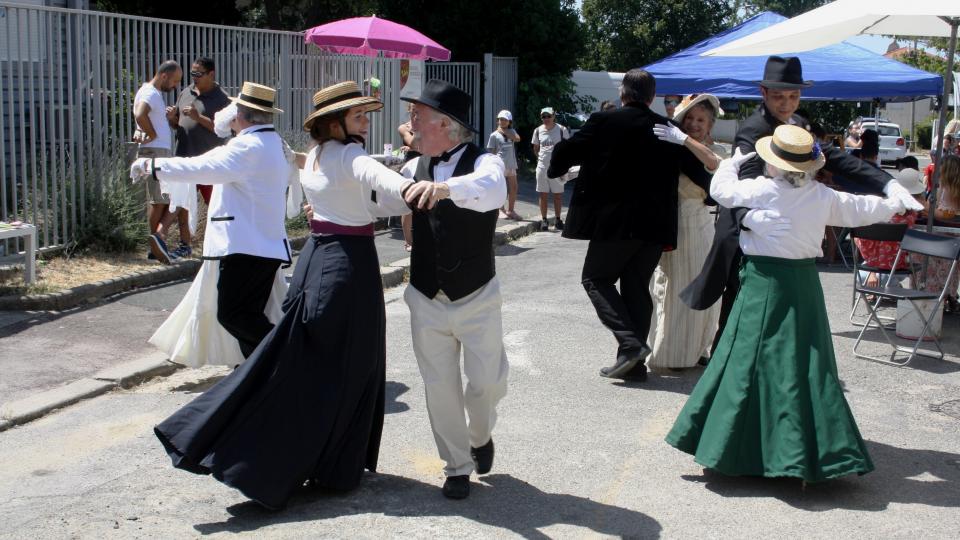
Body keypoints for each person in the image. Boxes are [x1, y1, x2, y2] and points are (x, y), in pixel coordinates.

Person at [152, 80, 415, 510]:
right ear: (335, 123)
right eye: (359, 116)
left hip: (317, 258)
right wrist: (409, 186)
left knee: (304, 362)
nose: (366, 123)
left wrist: (401, 190)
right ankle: (325, 463)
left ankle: (283, 456)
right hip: (347, 264)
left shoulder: (313, 156)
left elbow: (362, 196)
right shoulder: (349, 155)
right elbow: (376, 178)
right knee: (346, 366)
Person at [667, 125, 907, 482]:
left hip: (763, 283)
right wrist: (894, 199)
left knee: (746, 361)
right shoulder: (822, 196)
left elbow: (720, 190)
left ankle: (735, 448)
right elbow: (861, 209)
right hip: (802, 285)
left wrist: (734, 162)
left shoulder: (761, 188)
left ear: (774, 164)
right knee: (805, 365)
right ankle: (805, 453)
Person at [680, 56, 923, 362]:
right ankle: (722, 375)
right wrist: (750, 219)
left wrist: (889, 185)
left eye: (793, 97)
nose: (786, 104)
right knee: (739, 313)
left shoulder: (798, 127)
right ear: (764, 93)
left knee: (776, 324)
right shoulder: (753, 130)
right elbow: (739, 186)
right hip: (752, 233)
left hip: (787, 236)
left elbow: (835, 157)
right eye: (779, 97)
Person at [547, 69, 713, 381]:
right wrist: (711, 197)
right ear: (651, 98)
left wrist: (558, 168)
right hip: (656, 228)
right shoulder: (667, 128)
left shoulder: (604, 121)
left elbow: (565, 152)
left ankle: (630, 343)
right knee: (636, 287)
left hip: (615, 223)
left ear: (624, 94)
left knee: (595, 279)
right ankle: (634, 367)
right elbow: (701, 175)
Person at [399, 79, 508, 500]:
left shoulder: (487, 162)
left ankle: (480, 436)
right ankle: (457, 465)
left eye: (417, 116)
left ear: (445, 124)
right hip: (426, 297)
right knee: (439, 386)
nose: (409, 122)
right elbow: (382, 196)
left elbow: (492, 192)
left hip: (476, 295)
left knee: (486, 384)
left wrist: (446, 188)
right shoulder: (413, 166)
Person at [131, 81, 291, 359]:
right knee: (248, 314)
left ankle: (286, 360)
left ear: (241, 115)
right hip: (260, 244)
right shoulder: (271, 142)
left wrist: (153, 165)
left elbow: (202, 167)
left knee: (233, 314)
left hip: (247, 247)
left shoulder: (248, 146)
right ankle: (261, 371)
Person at [646, 94, 727, 370]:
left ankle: (697, 348)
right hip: (672, 221)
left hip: (700, 223)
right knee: (668, 288)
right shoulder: (669, 146)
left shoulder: (714, 150)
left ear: (710, 124)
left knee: (700, 288)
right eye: (690, 118)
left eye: (700, 120)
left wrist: (683, 141)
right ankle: (670, 352)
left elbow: (715, 171)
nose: (694, 124)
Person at [165, 57, 232, 259]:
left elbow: (223, 130)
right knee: (181, 202)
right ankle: (185, 244)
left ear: (211, 74)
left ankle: (221, 245)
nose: (194, 78)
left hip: (209, 162)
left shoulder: (223, 99)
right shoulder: (186, 92)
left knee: (216, 206)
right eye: (192, 73)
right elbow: (179, 125)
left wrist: (197, 118)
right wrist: (172, 120)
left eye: (198, 74)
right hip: (185, 157)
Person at [133, 60, 182, 263]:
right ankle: (155, 247)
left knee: (164, 199)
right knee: (159, 200)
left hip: (157, 150)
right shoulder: (150, 93)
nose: (175, 86)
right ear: (164, 76)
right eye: (174, 81)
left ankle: (157, 244)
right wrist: (151, 133)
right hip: (155, 152)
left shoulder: (152, 93)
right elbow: (140, 114)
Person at [921, 154, 960, 312]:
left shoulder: (951, 190)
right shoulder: (943, 188)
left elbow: (947, 214)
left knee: (929, 256)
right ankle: (945, 294)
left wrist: (926, 208)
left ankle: (940, 294)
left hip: (950, 237)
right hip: (944, 234)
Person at [532, 107, 569, 231]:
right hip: (542, 167)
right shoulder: (538, 130)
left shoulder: (562, 130)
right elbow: (536, 148)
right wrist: (542, 159)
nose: (546, 119)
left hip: (557, 168)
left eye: (549, 116)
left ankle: (558, 219)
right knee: (543, 194)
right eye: (544, 116)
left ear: (554, 116)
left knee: (558, 195)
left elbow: (567, 148)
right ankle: (544, 220)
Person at [487, 109, 521, 220]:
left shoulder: (512, 132)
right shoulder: (494, 135)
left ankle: (510, 210)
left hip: (511, 164)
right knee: (501, 188)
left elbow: (517, 139)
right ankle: (500, 210)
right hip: (500, 164)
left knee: (514, 187)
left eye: (505, 120)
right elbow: (491, 151)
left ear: (509, 121)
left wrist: (505, 131)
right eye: (500, 119)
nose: (502, 121)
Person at [398, 108, 420, 251]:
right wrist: (414, 148)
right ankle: (408, 240)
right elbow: (413, 143)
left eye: (419, 111)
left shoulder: (425, 125)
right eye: (413, 111)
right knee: (408, 205)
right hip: (409, 167)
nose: (416, 114)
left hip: (424, 163)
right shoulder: (404, 127)